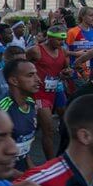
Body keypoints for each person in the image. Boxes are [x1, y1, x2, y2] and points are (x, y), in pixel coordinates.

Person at [27, 25, 72, 160]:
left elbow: (64, 70)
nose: (61, 42)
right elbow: (19, 65)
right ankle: (51, 162)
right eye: (59, 40)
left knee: (67, 121)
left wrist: (66, 73)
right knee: (49, 130)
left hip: (55, 91)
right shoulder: (36, 51)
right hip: (39, 93)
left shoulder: (62, 51)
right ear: (50, 38)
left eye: (63, 40)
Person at [0, 59, 41, 176]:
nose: (38, 79)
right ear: (14, 81)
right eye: (30, 75)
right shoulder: (0, 111)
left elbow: (24, 147)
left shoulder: (31, 103)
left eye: (36, 74)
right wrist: (23, 177)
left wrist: (32, 171)